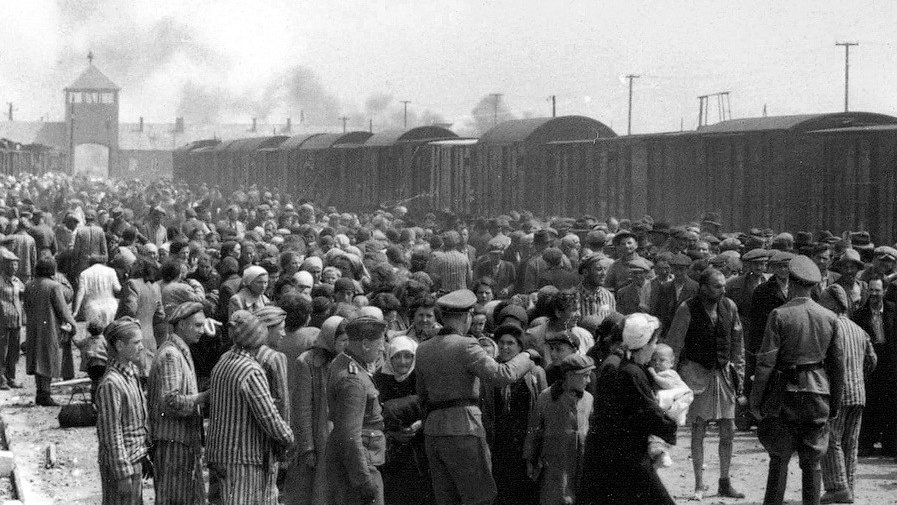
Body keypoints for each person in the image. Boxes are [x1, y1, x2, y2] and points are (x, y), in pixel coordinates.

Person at [415, 289, 538, 505]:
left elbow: (422, 394)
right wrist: (526, 356)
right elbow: (503, 375)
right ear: (467, 316)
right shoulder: (467, 345)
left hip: (434, 432)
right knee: (479, 497)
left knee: (446, 498)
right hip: (465, 428)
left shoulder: (423, 349)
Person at [750, 255, 845, 505]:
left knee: (779, 458)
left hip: (784, 394)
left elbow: (766, 364)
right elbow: (838, 366)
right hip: (818, 393)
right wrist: (835, 402)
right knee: (812, 461)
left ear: (791, 281)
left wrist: (755, 400)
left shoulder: (779, 315)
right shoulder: (830, 318)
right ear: (814, 285)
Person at [578, 313, 677, 505]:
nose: (655, 347)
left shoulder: (620, 364)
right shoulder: (631, 372)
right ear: (645, 343)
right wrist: (671, 422)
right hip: (624, 458)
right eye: (654, 342)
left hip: (608, 456)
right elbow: (649, 413)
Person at [665, 268, 745, 500]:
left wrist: (738, 375)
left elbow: (738, 345)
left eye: (723, 286)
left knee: (728, 429)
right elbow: (674, 346)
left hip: (723, 374)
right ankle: (699, 485)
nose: (723, 290)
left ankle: (724, 481)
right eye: (717, 286)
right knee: (698, 429)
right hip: (697, 375)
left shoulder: (729, 307)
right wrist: (674, 382)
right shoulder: (686, 309)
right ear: (703, 287)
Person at [207, 310, 294, 505]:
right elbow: (269, 416)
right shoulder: (250, 370)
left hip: (219, 453)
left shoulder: (224, 361)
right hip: (243, 458)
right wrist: (288, 438)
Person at [148, 302, 209, 505]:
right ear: (182, 324)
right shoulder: (171, 355)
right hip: (174, 443)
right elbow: (169, 401)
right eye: (198, 325)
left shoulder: (180, 351)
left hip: (183, 442)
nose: (202, 331)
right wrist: (203, 397)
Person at [820, 285, 877, 504]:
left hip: (838, 393)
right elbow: (872, 360)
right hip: (859, 393)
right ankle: (849, 489)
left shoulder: (831, 327)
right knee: (851, 444)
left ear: (834, 304)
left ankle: (837, 487)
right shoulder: (858, 329)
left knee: (831, 438)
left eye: (823, 302)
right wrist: (859, 375)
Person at [283, 315, 348, 505]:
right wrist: (307, 448)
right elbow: (301, 408)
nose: (347, 344)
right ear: (330, 339)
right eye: (343, 340)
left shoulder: (347, 361)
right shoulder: (307, 362)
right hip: (319, 438)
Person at [324, 316, 388, 505]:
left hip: (351, 463)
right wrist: (364, 480)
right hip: (360, 466)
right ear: (366, 344)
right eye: (380, 343)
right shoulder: (354, 380)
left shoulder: (343, 363)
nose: (382, 348)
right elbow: (350, 436)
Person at [482, 324, 546, 505]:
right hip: (500, 444)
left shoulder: (535, 372)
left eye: (510, 343)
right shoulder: (492, 371)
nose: (504, 347)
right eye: (501, 343)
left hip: (525, 443)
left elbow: (542, 408)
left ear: (520, 347)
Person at [524, 353, 594, 505]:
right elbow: (534, 429)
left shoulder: (588, 398)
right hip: (555, 464)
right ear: (569, 375)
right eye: (585, 376)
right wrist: (530, 458)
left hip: (579, 462)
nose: (588, 380)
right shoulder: (546, 397)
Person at [96, 318, 149, 505]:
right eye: (136, 342)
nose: (141, 347)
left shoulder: (131, 373)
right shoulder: (112, 383)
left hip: (134, 459)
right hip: (121, 466)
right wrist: (122, 473)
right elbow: (111, 434)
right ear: (119, 345)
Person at [373, 335, 430, 505]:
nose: (402, 361)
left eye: (408, 356)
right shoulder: (379, 379)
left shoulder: (422, 377)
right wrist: (392, 433)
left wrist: (420, 424)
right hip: (392, 450)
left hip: (421, 445)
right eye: (397, 356)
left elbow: (431, 406)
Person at [24, 257, 78, 406]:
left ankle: (39, 392)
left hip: (33, 327)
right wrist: (73, 325)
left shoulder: (29, 285)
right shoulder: (54, 286)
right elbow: (63, 310)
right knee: (47, 358)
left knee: (36, 359)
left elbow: (26, 306)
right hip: (49, 327)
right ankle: (46, 394)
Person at [854, 277, 897, 457]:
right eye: (870, 290)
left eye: (877, 290)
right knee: (870, 403)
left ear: (884, 291)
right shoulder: (859, 315)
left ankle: (890, 445)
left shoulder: (893, 310)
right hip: (870, 366)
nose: (873, 294)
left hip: (891, 364)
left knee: (891, 405)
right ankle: (866, 443)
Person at [646, 343, 693, 468]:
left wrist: (655, 376)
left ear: (671, 363)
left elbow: (669, 386)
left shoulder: (670, 374)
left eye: (662, 360)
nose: (657, 363)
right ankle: (660, 453)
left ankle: (663, 453)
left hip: (672, 406)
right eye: (653, 360)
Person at [0, 248, 25, 389]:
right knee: (2, 351)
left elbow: (23, 293)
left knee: (14, 351)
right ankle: (1, 378)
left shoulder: (17, 281)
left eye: (15, 264)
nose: (14, 267)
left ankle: (11, 377)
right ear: (4, 265)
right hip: (3, 321)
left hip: (16, 320)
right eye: (11, 264)